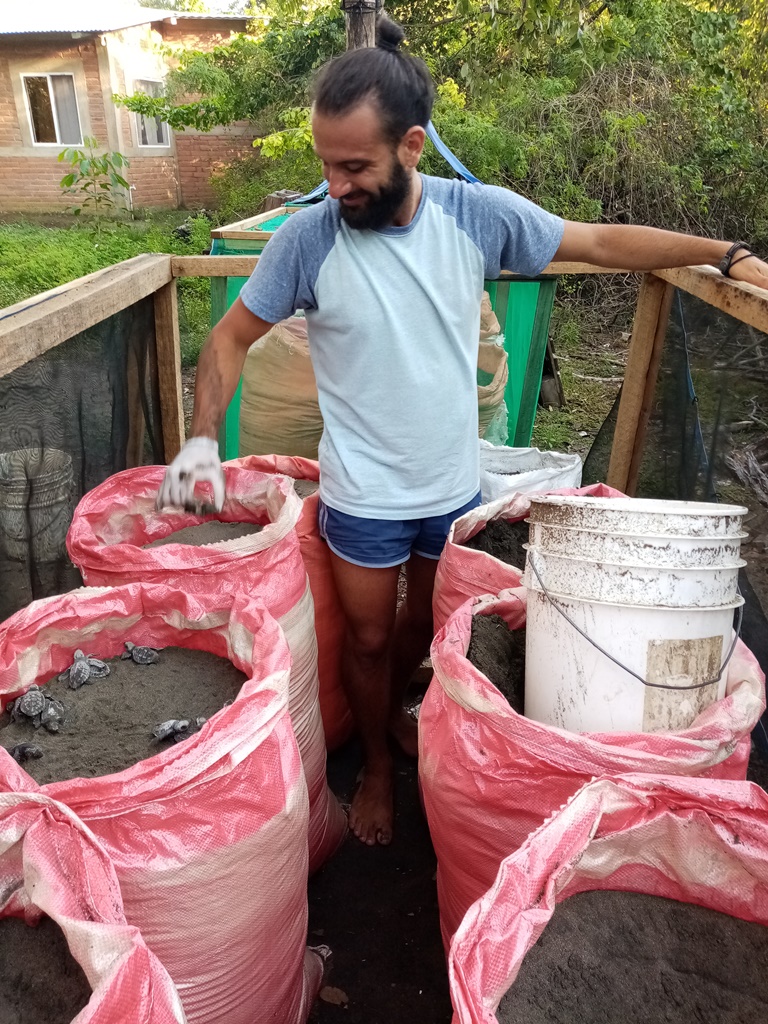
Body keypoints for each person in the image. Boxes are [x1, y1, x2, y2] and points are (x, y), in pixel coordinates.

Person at [157, 14, 768, 847]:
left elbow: (598, 239)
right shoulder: (308, 239)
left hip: (452, 486)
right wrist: (199, 441)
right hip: (365, 494)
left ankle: (406, 714)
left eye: (353, 166)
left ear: (410, 146)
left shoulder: (476, 217)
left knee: (420, 628)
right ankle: (376, 763)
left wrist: (725, 253)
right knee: (369, 635)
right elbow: (228, 340)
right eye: (324, 164)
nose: (333, 185)